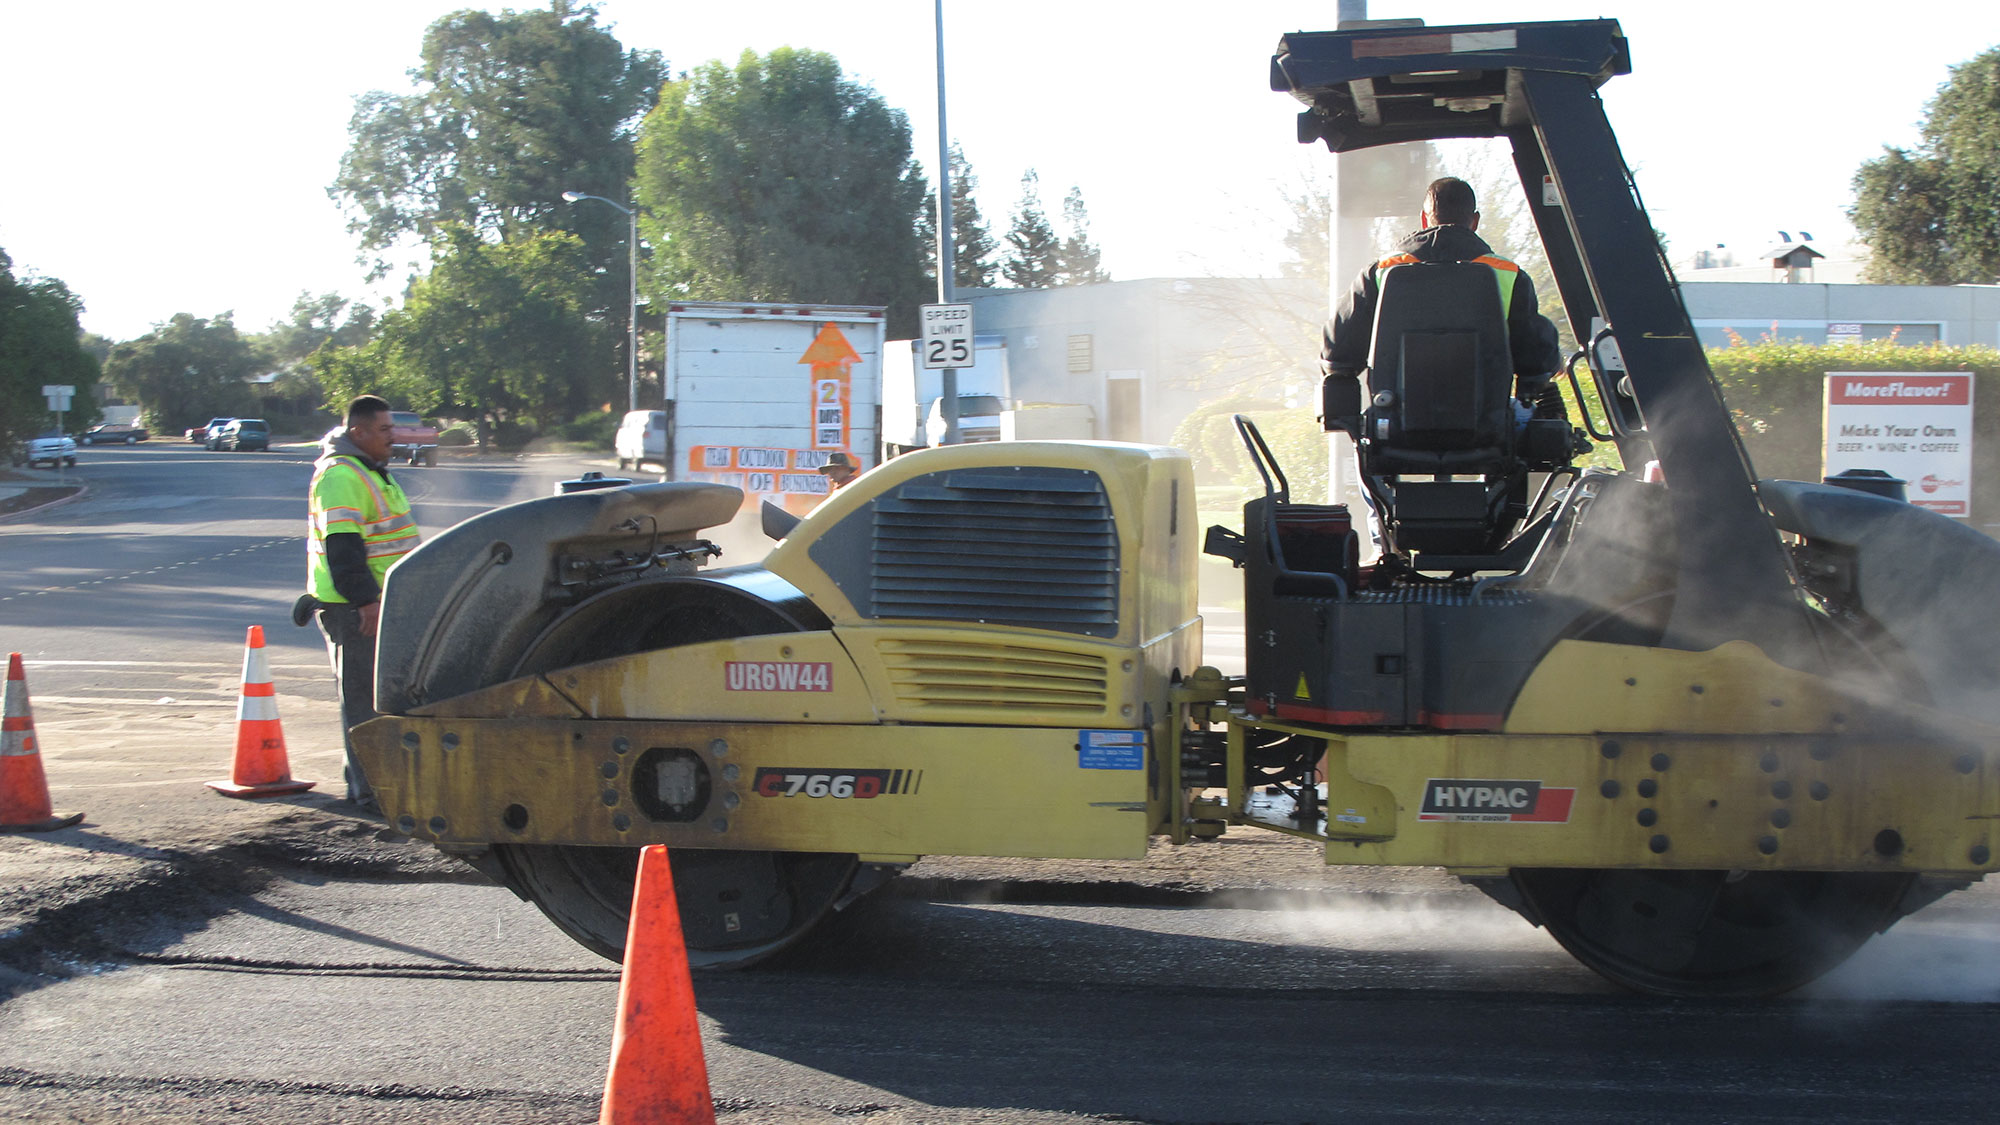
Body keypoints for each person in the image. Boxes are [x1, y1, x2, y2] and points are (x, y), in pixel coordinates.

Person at [1321, 176, 1564, 429]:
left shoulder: (1380, 272)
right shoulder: (1509, 274)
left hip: (1393, 427)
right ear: (1475, 221)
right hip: (1487, 427)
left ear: (1425, 220)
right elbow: (1535, 359)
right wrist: (1550, 360)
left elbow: (1338, 353)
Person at [306, 395, 419, 810]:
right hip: (355, 610)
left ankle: (383, 786)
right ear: (360, 432)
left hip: (381, 605)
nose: (394, 436)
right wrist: (365, 602)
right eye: (385, 429)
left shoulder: (370, 470)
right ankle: (371, 792)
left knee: (380, 698)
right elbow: (343, 550)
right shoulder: (341, 476)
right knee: (362, 701)